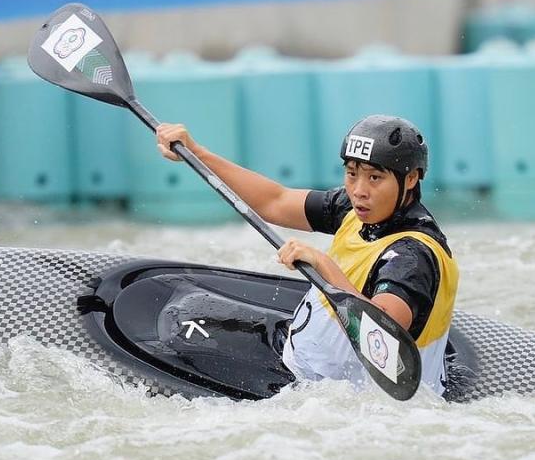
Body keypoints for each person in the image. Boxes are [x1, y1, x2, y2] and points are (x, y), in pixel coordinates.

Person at [155, 115, 459, 396]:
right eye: (352, 174)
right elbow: (275, 201)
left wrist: (323, 264)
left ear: (410, 179)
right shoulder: (355, 210)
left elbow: (381, 337)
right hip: (309, 359)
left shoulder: (411, 256)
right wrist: (197, 153)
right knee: (186, 311)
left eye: (375, 178)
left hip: (343, 394)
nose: (359, 191)